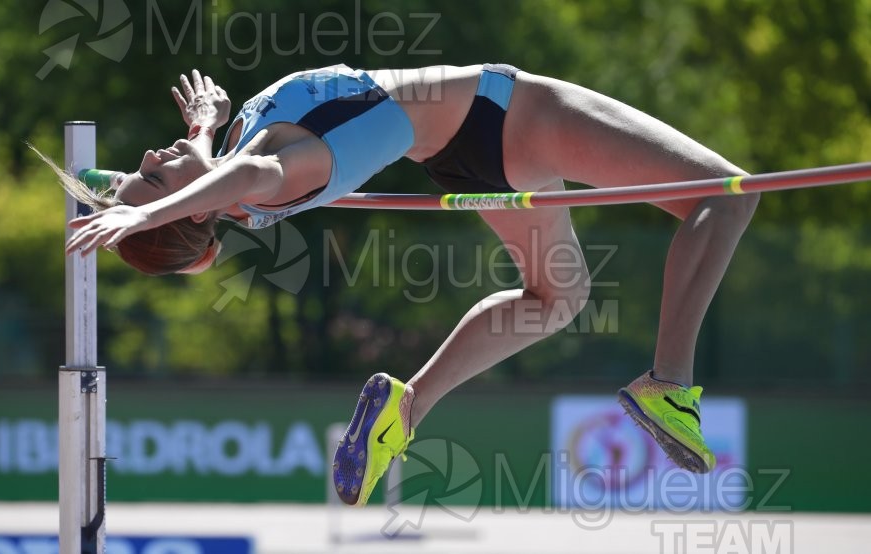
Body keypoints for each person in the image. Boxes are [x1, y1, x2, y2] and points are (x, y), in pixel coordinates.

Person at [56, 63, 759, 506]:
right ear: (191, 208)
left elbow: (211, 192)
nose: (149, 156)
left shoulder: (233, 183)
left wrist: (188, 142)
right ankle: (669, 382)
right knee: (726, 196)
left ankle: (407, 408)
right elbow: (231, 183)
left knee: (557, 299)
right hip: (504, 114)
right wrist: (147, 207)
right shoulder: (264, 176)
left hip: (463, 156)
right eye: (152, 174)